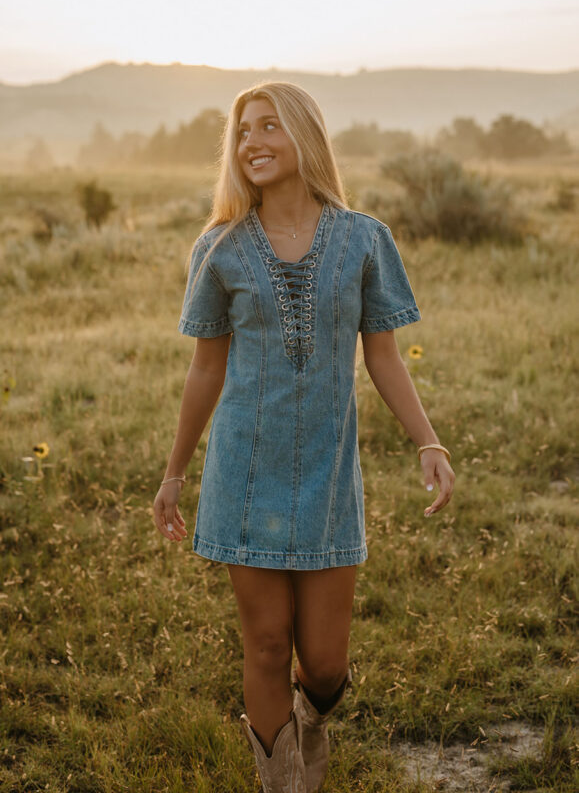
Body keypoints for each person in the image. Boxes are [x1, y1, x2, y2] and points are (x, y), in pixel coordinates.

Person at [153, 81, 455, 792]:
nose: (250, 142)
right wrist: (174, 474)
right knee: (264, 646)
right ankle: (283, 782)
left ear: (304, 135)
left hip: (327, 471)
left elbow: (382, 357)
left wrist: (429, 441)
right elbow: (205, 368)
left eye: (268, 126)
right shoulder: (219, 247)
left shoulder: (364, 239)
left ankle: (310, 724)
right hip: (243, 470)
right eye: (241, 131)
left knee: (322, 664)